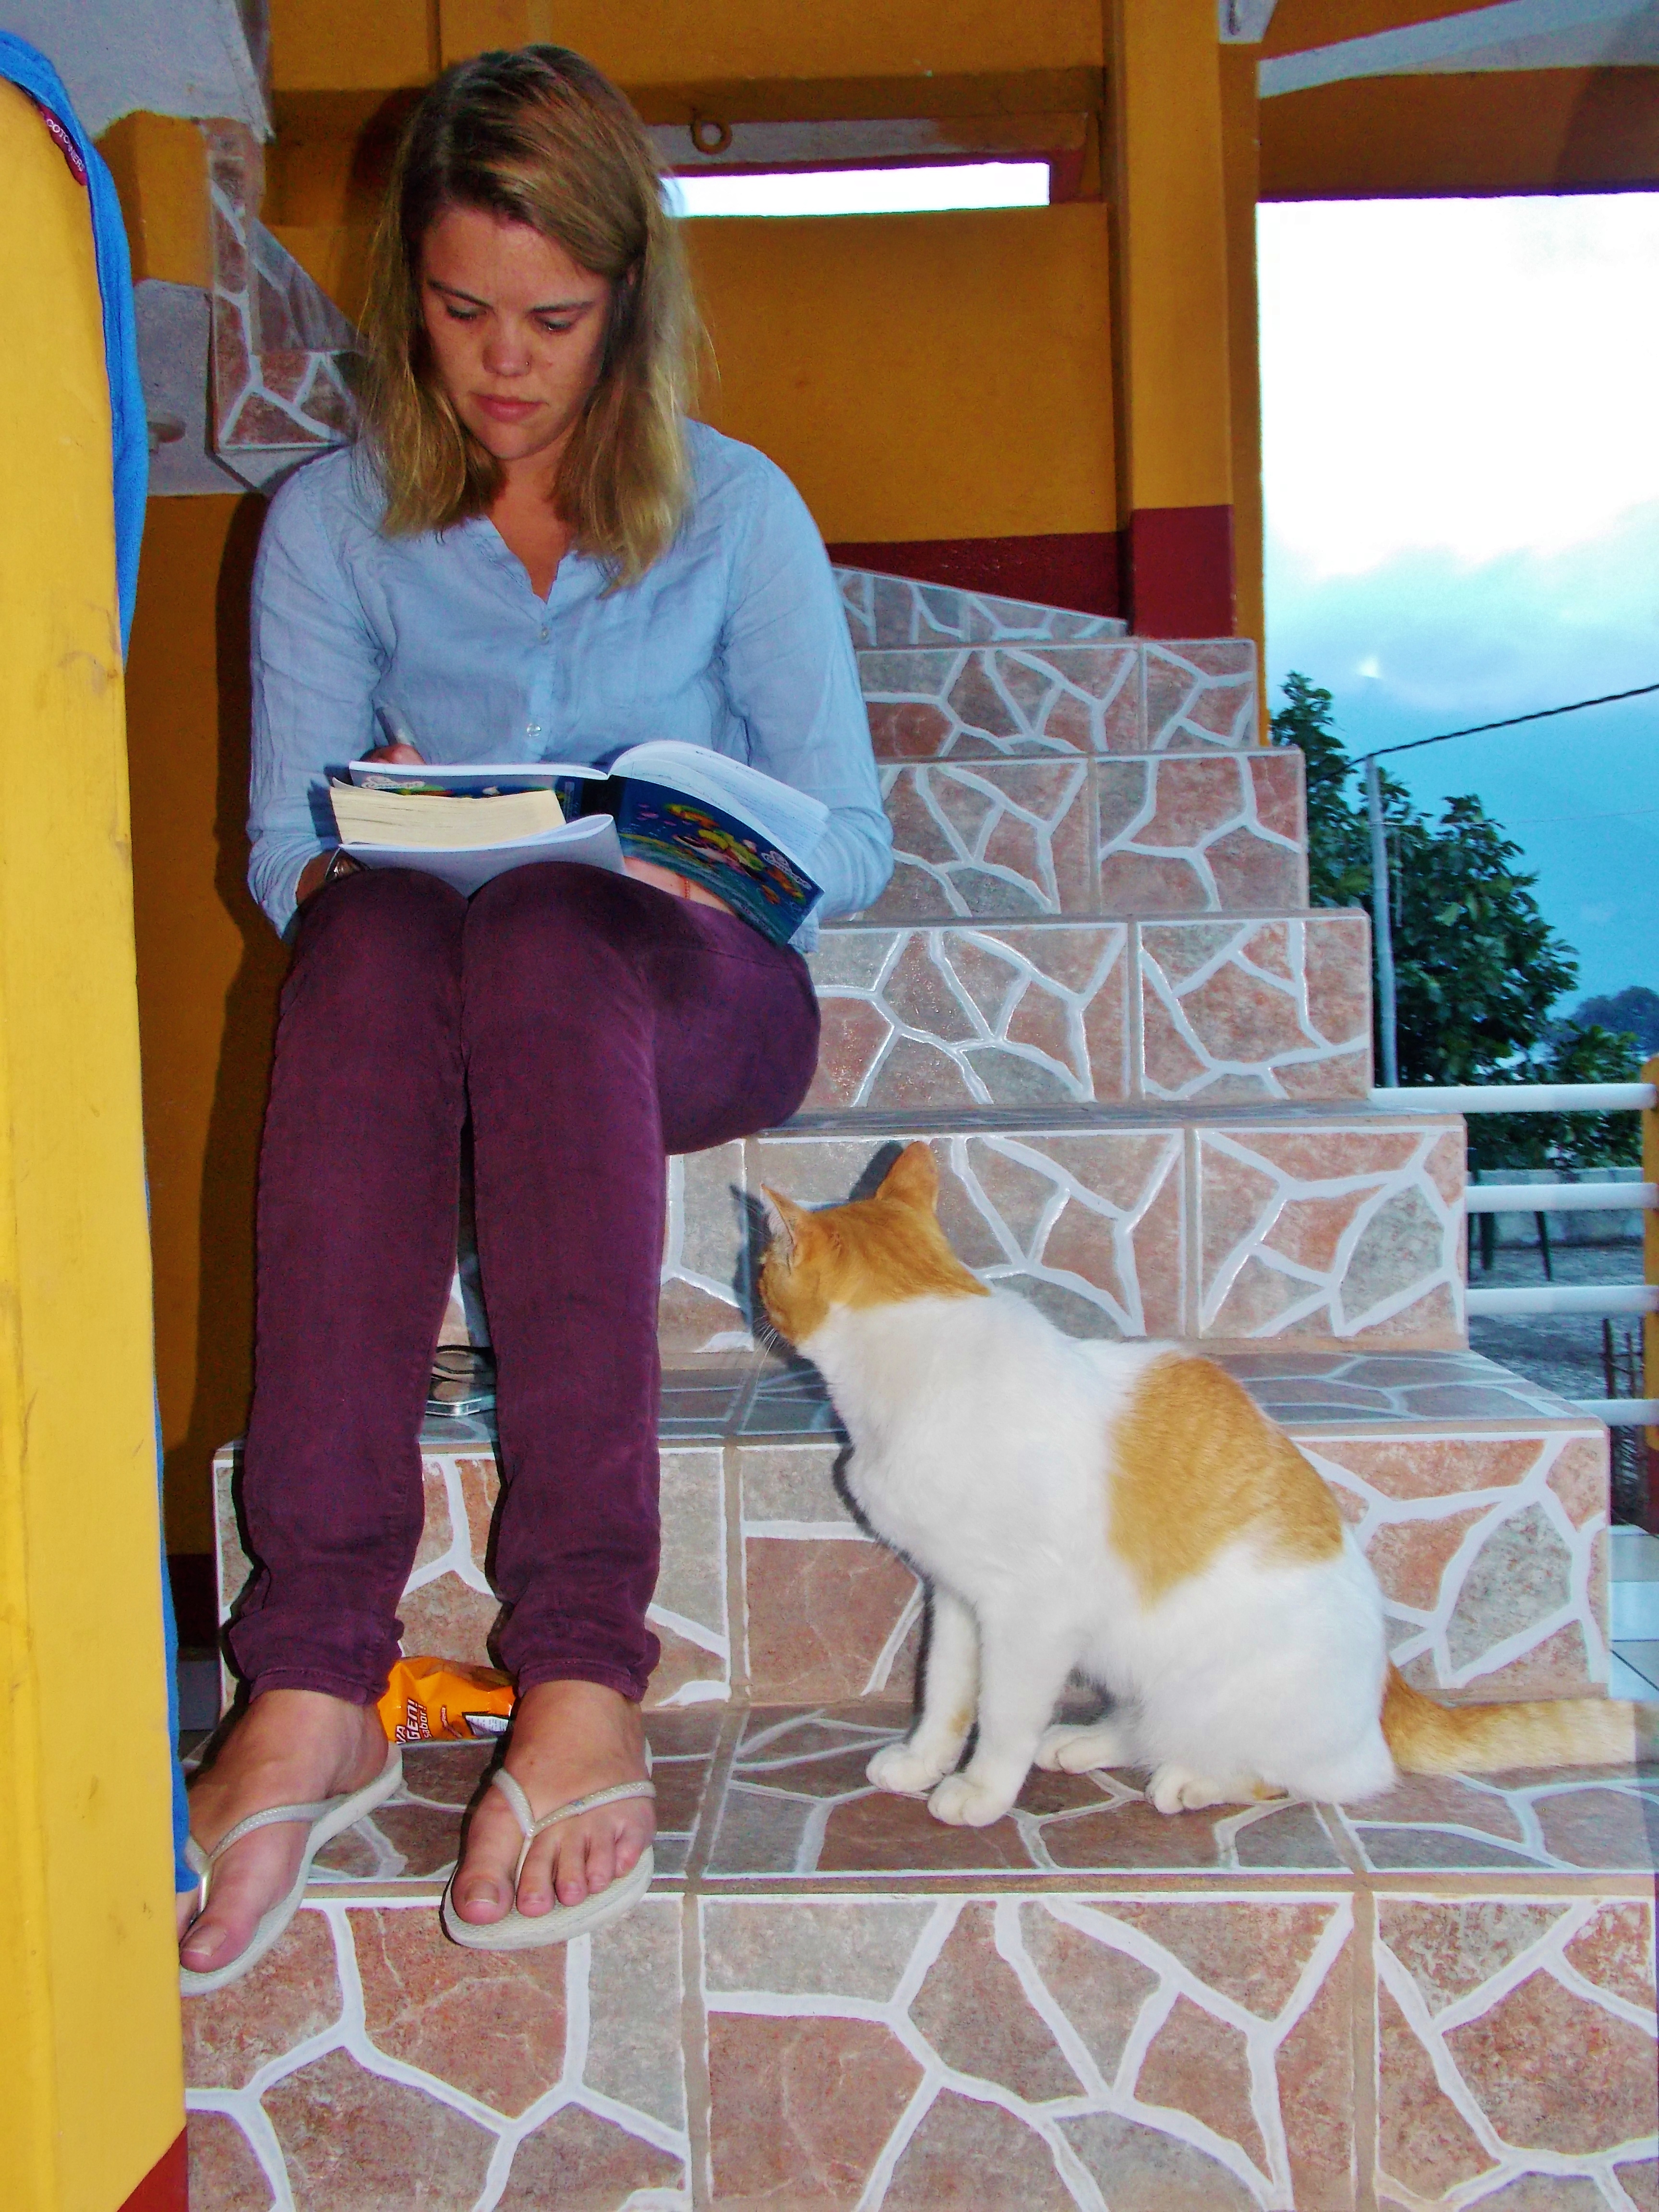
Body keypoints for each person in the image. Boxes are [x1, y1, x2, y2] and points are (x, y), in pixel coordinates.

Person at [178, 45, 891, 1987]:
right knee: (375, 939)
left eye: (555, 320)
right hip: (445, 987)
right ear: (409, 290)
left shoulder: (738, 511)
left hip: (689, 992)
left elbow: (851, 838)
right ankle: (313, 1674)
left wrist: (706, 863)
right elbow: (282, 847)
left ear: (628, 302)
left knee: (560, 930)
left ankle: (581, 1663)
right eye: (461, 310)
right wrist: (378, 837)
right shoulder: (333, 520)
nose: (504, 364)